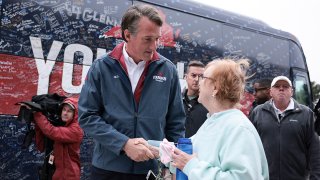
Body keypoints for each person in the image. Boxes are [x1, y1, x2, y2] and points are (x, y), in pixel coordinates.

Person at [78, 4, 185, 180]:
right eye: (147, 39)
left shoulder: (168, 70)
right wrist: (124, 144)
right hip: (107, 169)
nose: (154, 46)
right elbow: (87, 116)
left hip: (150, 171)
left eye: (157, 39)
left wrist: (173, 165)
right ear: (127, 35)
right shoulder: (102, 67)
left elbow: (176, 123)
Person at [164, 58, 269, 179]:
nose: (199, 82)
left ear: (216, 88)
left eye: (203, 77)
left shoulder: (238, 128)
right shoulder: (214, 121)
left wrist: (191, 166)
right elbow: (188, 152)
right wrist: (158, 150)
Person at [250, 75, 320, 180]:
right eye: (277, 86)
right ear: (271, 92)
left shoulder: (306, 114)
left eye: (286, 86)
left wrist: (316, 177)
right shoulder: (258, 112)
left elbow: (315, 151)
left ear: (291, 92)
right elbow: (250, 146)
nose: (281, 88)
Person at [22, 97, 83, 180]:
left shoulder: (76, 130)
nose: (65, 113)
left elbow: (52, 132)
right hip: (55, 173)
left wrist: (37, 113)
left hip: (69, 175)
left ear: (75, 114)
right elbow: (41, 147)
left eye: (69, 111)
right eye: (64, 110)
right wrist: (38, 125)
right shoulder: (60, 125)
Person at [183, 60, 208, 138]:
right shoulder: (176, 101)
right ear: (186, 77)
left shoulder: (209, 104)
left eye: (201, 76)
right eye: (193, 75)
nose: (197, 79)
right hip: (176, 146)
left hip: (199, 149)